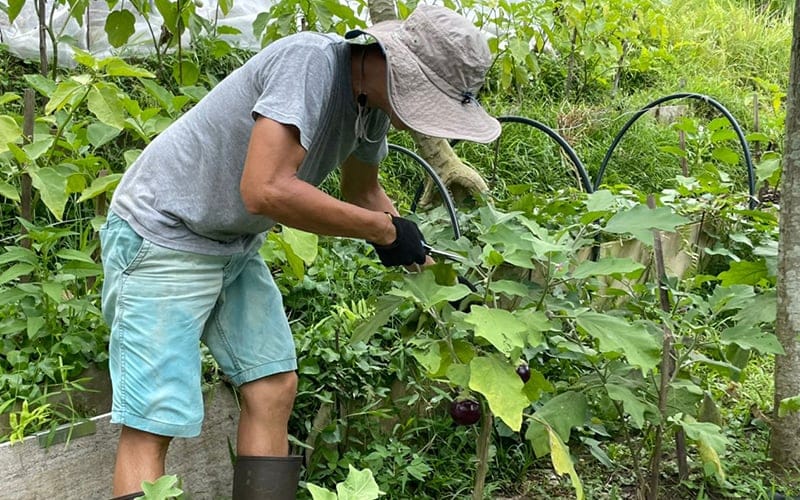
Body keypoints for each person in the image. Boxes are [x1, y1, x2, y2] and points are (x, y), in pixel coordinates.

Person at [99, 4, 501, 499]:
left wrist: (433, 272)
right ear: (391, 62)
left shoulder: (369, 108)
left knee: (272, 386)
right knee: (153, 417)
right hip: (164, 230)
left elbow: (364, 195)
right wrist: (382, 231)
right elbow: (265, 189)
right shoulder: (308, 64)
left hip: (233, 244)